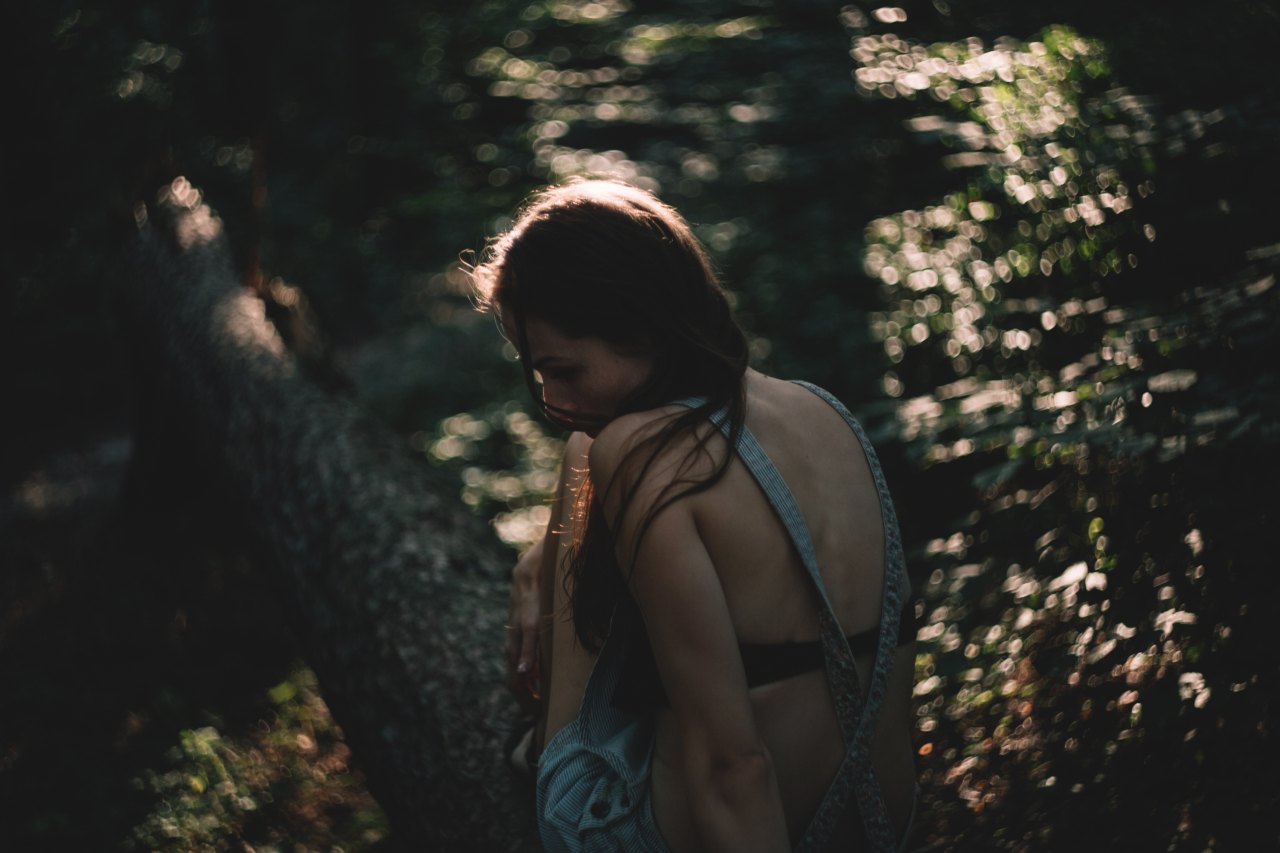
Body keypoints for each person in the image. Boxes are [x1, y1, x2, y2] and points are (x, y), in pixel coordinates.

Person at [473, 178, 919, 852]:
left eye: (562, 370)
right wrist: (545, 559)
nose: (553, 400)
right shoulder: (824, 410)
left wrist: (551, 564)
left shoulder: (634, 450)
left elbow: (733, 763)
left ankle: (540, 745)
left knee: (580, 453)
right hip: (885, 825)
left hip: (739, 829)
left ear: (639, 326)